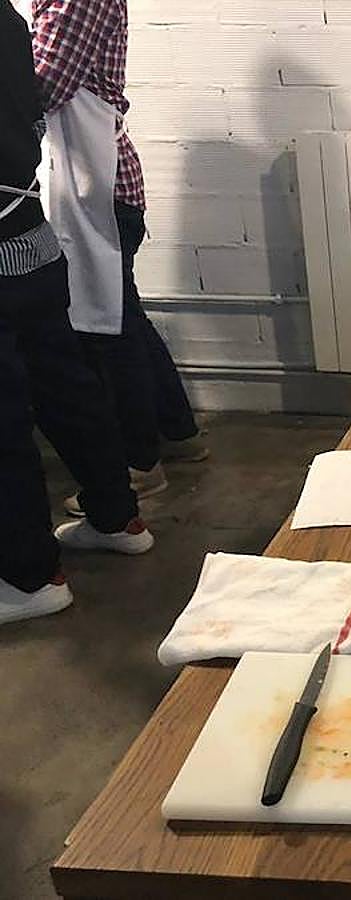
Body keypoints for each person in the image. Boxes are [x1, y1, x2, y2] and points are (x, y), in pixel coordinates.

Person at [1, 2, 153, 626]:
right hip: (29, 233)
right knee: (67, 382)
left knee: (9, 413)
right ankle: (116, 515)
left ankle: (28, 576)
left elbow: (50, 83)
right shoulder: (8, 18)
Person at [31, 0, 206, 518]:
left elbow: (41, 86)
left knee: (107, 327)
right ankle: (178, 433)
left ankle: (139, 463)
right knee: (123, 315)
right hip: (98, 182)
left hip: (94, 186)